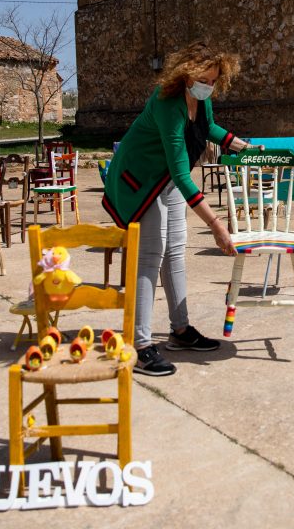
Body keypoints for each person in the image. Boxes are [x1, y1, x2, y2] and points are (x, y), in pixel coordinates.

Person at [102, 41, 257, 376]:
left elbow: (208, 130)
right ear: (187, 73)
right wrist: (217, 223)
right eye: (205, 79)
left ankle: (181, 331)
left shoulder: (201, 101)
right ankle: (139, 345)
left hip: (165, 178)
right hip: (138, 179)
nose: (209, 86)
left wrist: (241, 145)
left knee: (175, 251)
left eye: (215, 80)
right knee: (150, 255)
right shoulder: (166, 103)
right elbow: (181, 172)